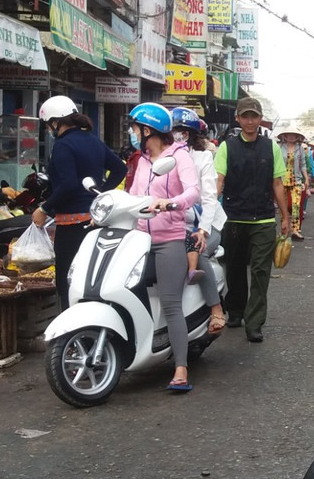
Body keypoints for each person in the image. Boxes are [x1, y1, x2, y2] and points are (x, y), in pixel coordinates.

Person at [128, 103, 200, 391]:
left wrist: (171, 203)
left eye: (135, 128)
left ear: (147, 130)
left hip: (169, 239)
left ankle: (181, 366)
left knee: (171, 303)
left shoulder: (178, 156)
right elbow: (132, 195)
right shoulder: (141, 159)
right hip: (138, 240)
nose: (132, 133)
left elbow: (193, 191)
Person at [33, 96, 127, 310]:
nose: (49, 129)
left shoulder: (63, 145)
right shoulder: (93, 140)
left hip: (71, 227)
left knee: (67, 281)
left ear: (55, 123)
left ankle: (71, 332)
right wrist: (100, 195)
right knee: (90, 279)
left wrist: (44, 208)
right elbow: (121, 169)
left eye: (49, 125)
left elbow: (67, 185)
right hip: (95, 223)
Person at [214, 97, 291, 344]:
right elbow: (218, 181)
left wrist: (286, 217)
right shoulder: (227, 147)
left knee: (260, 271)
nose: (249, 121)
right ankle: (235, 310)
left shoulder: (271, 148)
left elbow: (278, 183)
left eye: (254, 116)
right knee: (234, 268)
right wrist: (209, 211)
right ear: (238, 118)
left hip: (264, 221)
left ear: (260, 119)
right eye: (245, 116)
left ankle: (254, 322)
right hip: (234, 219)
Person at [171, 107, 227, 335]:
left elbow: (210, 199)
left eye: (183, 131)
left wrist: (203, 230)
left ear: (190, 135)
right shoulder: (161, 158)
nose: (178, 135)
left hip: (207, 222)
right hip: (173, 223)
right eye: (175, 130)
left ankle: (216, 307)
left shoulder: (203, 158)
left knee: (198, 249)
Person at [277, 127, 312, 241]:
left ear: (297, 136)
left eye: (293, 135)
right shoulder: (279, 148)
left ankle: (296, 230)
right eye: (289, 134)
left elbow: (303, 165)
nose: (291, 137)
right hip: (282, 180)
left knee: (296, 206)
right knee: (283, 207)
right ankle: (284, 229)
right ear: (285, 136)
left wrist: (306, 179)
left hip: (296, 180)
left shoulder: (300, 149)